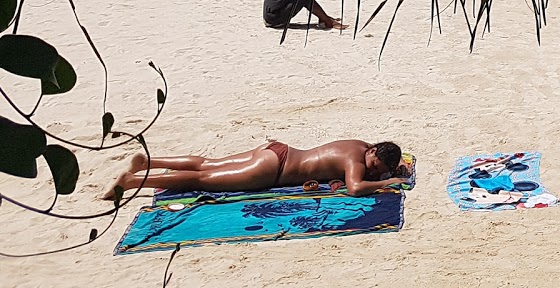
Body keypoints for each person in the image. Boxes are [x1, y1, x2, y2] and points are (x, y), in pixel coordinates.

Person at [104, 139, 406, 200]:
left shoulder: (359, 145)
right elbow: (355, 188)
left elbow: (348, 174)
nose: (372, 168)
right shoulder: (355, 163)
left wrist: (392, 168)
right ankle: (132, 181)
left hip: (276, 150)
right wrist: (387, 181)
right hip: (273, 170)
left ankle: (147, 162)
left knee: (207, 164)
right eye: (375, 165)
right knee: (204, 181)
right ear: (374, 153)